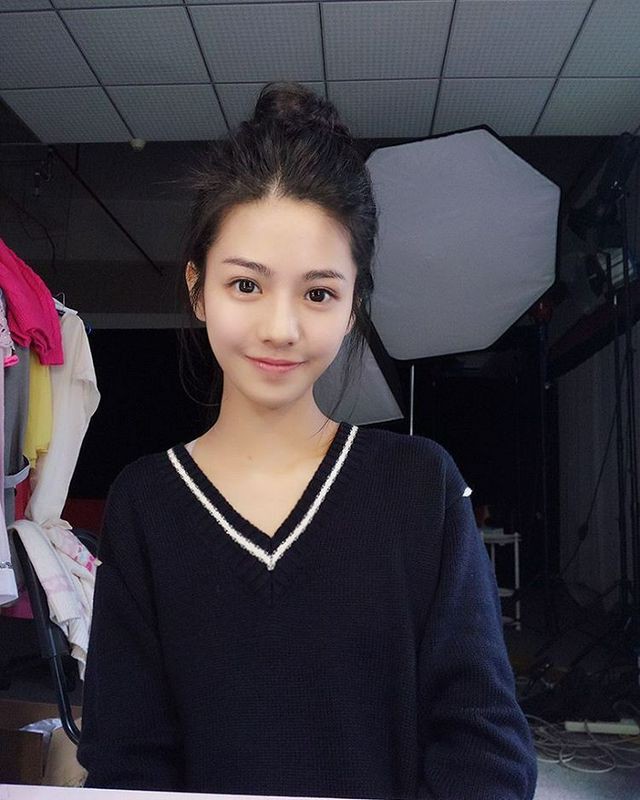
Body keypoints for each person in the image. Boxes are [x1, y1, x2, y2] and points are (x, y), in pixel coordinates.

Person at [76, 82, 538, 799]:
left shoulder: (420, 487)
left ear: (353, 306)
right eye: (246, 286)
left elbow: (485, 747)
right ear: (198, 289)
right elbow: (126, 763)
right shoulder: (147, 503)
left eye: (318, 293)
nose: (280, 329)